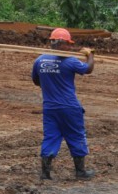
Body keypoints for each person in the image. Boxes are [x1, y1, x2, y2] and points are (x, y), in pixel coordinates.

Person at [32, 28, 96, 180]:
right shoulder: (71, 61)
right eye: (68, 44)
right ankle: (80, 172)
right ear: (61, 43)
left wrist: (50, 84)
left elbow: (36, 81)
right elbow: (88, 69)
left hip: (50, 108)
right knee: (76, 135)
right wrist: (91, 55)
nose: (69, 47)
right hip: (69, 107)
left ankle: (45, 173)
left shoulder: (39, 61)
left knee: (51, 137)